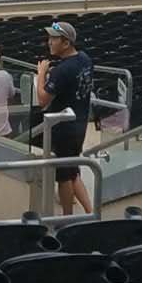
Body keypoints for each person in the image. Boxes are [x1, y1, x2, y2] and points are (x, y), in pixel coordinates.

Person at [36, 21, 94, 215]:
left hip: (64, 129)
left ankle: (66, 219)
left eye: (53, 38)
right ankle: (91, 212)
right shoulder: (85, 59)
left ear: (66, 43)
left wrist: (42, 74)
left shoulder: (62, 71)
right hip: (80, 123)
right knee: (73, 171)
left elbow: (43, 100)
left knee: (63, 177)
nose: (49, 42)